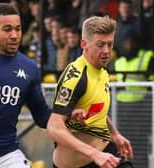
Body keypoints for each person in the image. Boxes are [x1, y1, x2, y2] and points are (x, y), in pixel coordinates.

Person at [0, 3, 85, 168]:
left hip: (7, 155)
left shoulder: (29, 67)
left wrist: (66, 115)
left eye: (18, 29)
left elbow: (41, 115)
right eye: (7, 29)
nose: (14, 35)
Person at [47, 16, 134, 168]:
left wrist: (114, 133)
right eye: (100, 45)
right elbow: (54, 127)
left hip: (106, 154)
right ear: (84, 44)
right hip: (80, 164)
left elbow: (96, 109)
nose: (106, 51)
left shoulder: (102, 68)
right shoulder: (76, 77)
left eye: (110, 44)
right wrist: (95, 154)